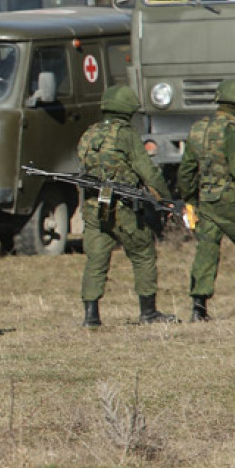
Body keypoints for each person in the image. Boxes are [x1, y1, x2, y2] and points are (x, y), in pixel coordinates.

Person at [77, 85, 177, 327]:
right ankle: (149, 312)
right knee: (143, 252)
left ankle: (91, 316)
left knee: (96, 259)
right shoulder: (126, 134)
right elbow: (148, 171)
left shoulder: (89, 133)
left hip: (93, 207)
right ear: (128, 111)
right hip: (121, 207)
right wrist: (166, 199)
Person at [177, 79, 235, 322]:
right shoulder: (232, 129)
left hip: (206, 200)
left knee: (206, 251)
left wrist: (191, 199)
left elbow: (186, 172)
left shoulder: (198, 129)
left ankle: (198, 308)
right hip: (232, 200)